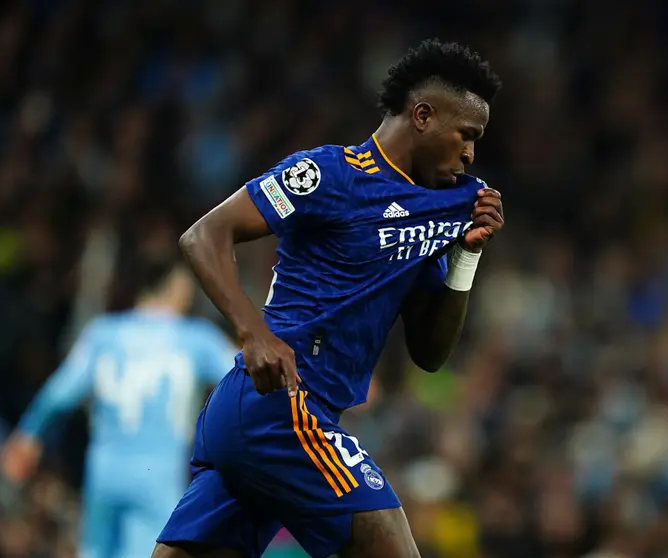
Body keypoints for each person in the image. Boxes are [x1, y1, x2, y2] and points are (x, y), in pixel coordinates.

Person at [154, 38, 504, 558]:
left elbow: (429, 355)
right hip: (280, 403)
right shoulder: (328, 174)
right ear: (424, 115)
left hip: (278, 421)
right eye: (467, 135)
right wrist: (254, 333)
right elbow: (203, 236)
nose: (472, 153)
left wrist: (465, 259)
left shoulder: (440, 212)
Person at [0, 260, 236, 558]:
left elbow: (61, 391)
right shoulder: (196, 339)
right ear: (180, 289)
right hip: (157, 474)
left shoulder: (103, 333)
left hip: (104, 470)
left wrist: (28, 434)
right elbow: (243, 376)